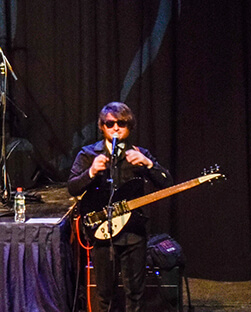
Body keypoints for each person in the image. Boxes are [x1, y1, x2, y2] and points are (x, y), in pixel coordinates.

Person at [67, 102, 172, 312]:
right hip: (102, 233)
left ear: (129, 127)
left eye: (121, 123)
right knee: (104, 294)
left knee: (135, 293)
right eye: (110, 123)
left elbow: (167, 184)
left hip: (134, 234)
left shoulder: (139, 154)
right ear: (102, 126)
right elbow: (72, 188)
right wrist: (90, 172)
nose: (116, 128)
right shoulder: (88, 154)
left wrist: (149, 164)